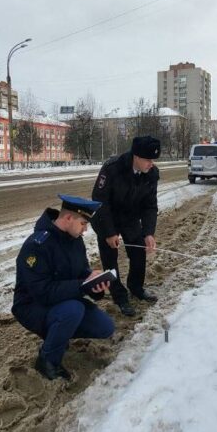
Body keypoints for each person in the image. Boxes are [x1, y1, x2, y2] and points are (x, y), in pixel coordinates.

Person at [12, 194, 115, 381]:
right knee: (73, 310)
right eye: (83, 223)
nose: (85, 230)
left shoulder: (74, 240)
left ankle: (59, 334)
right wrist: (82, 285)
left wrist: (95, 285)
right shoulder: (37, 245)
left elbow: (82, 273)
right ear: (68, 218)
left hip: (62, 300)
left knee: (105, 327)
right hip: (31, 305)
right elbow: (42, 292)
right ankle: (47, 360)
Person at [91, 135, 160, 317]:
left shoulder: (152, 173)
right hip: (106, 217)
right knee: (110, 260)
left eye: (153, 160)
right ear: (136, 156)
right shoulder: (112, 168)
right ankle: (119, 295)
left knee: (138, 253)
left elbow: (150, 205)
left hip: (130, 218)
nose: (151, 164)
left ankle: (136, 287)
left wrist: (148, 233)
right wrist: (109, 232)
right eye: (147, 159)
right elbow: (99, 201)